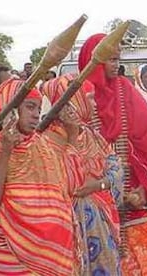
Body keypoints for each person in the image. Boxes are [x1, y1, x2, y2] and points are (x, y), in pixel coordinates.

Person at [78, 33, 147, 275]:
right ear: (93, 61)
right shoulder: (78, 95)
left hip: (137, 197)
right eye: (110, 59)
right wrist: (106, 187)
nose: (116, 65)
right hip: (92, 204)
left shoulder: (125, 90)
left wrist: (144, 189)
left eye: (118, 58)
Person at [0, 79, 78, 275]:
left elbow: (68, 188)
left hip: (50, 256)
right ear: (10, 109)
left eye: (38, 108)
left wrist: (73, 133)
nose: (36, 114)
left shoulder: (42, 145)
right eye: (30, 107)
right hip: (5, 254)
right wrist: (6, 151)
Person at [42, 74, 124, 275]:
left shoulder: (92, 136)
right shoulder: (46, 143)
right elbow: (70, 184)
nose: (95, 104)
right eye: (89, 98)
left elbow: (117, 168)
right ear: (70, 103)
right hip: (70, 226)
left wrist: (99, 185)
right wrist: (71, 138)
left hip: (101, 224)